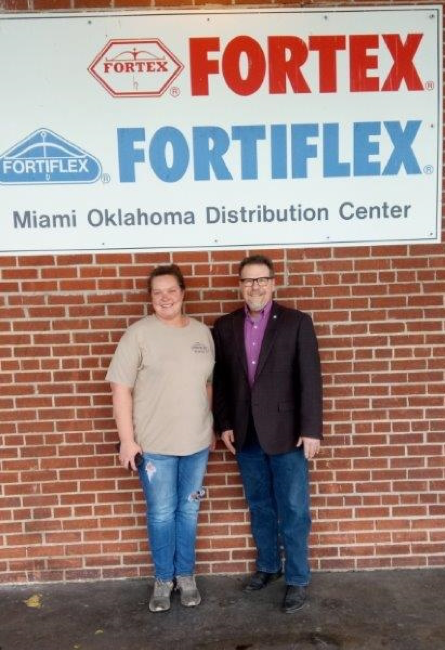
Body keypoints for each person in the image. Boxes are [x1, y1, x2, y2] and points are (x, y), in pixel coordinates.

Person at [212, 254, 322, 614]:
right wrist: (224, 423)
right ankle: (269, 567)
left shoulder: (296, 322)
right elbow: (224, 382)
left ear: (274, 283)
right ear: (239, 285)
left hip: (288, 434)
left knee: (293, 508)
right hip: (245, 434)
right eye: (248, 280)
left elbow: (310, 379)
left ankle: (298, 578)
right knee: (259, 505)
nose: (255, 286)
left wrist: (310, 430)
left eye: (261, 280)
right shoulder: (225, 326)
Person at [106, 264, 214, 613]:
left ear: (183, 293)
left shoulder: (202, 334)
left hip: (196, 445)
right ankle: (163, 580)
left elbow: (207, 385)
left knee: (190, 511)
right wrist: (127, 440)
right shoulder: (137, 334)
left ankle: (186, 576)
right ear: (150, 298)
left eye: (171, 290)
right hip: (155, 448)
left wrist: (209, 425)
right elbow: (120, 389)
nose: (165, 297)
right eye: (157, 292)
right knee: (162, 514)